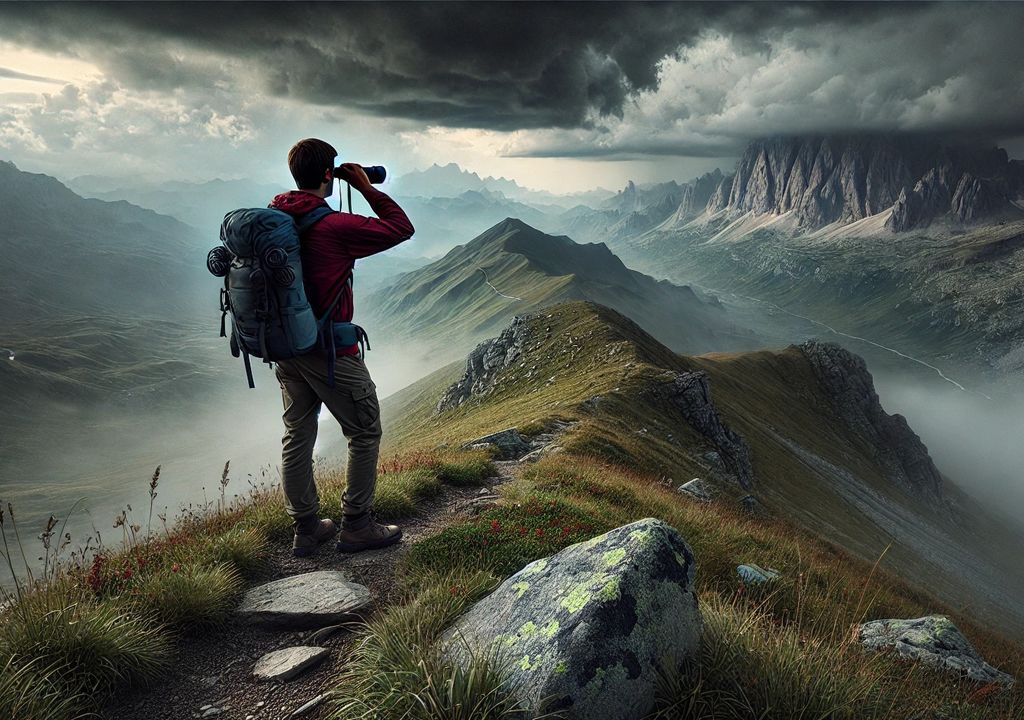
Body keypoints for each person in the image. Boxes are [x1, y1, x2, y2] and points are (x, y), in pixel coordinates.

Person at [269, 138, 414, 556]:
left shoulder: (277, 218)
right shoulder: (333, 227)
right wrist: (366, 186)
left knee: (297, 434)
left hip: (287, 349)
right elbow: (401, 227)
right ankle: (357, 525)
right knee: (364, 430)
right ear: (328, 175)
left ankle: (306, 528)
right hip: (329, 351)